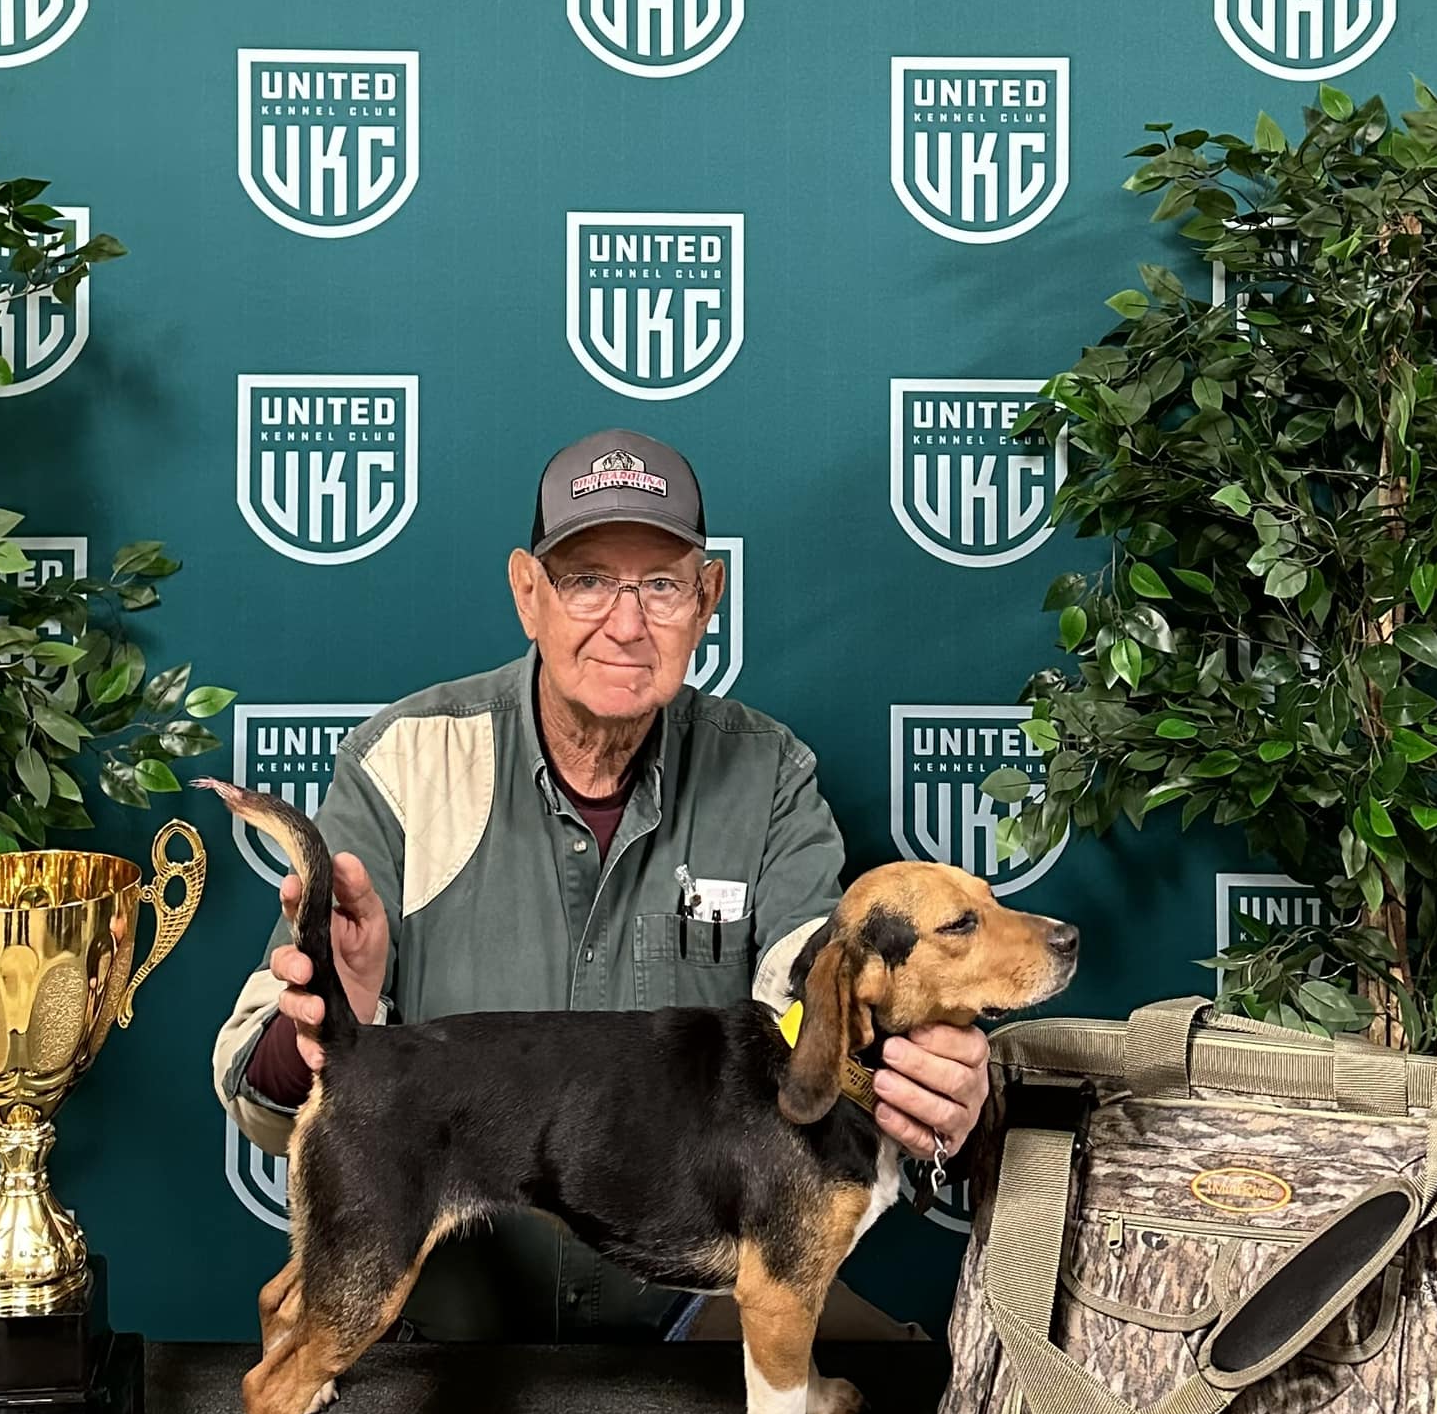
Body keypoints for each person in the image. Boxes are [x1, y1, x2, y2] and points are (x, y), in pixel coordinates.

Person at [211, 427, 990, 1341]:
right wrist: (341, 1008)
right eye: (586, 580)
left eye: (661, 585)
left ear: (707, 602)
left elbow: (812, 990)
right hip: (455, 1309)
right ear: (527, 594)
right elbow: (261, 1101)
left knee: (896, 1401)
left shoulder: (770, 774)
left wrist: (933, 1079)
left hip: (701, 1300)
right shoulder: (402, 762)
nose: (627, 623)